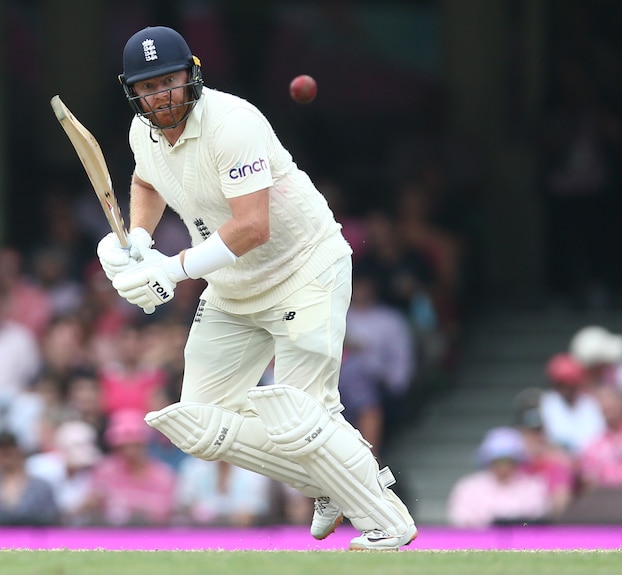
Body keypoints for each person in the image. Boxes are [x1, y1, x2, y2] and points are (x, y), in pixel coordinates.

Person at [96, 26, 415, 550]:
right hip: (232, 287)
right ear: (134, 91)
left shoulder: (233, 123)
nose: (161, 97)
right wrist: (138, 242)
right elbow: (147, 182)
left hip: (302, 271)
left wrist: (170, 271)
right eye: (148, 87)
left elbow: (252, 227)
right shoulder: (141, 132)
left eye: (170, 82)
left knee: (299, 415)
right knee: (199, 422)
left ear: (191, 75)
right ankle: (327, 477)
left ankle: (385, 517)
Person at [447, 427, 551, 529]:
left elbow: (536, 522)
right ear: (488, 460)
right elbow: (461, 521)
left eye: (508, 460)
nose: (503, 466)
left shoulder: (533, 486)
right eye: (498, 461)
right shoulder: (468, 487)